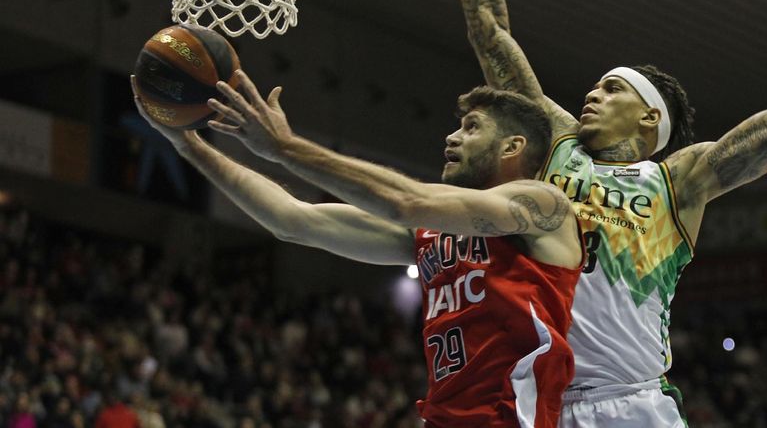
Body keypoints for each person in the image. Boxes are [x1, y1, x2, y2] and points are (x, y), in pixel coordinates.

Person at [451, 0, 767, 426]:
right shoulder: (558, 142)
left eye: (612, 88)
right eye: (596, 85)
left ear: (650, 118)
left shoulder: (678, 181)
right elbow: (490, 32)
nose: (592, 93)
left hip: (633, 402)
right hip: (542, 402)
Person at [132, 75, 587, 427]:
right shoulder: (432, 235)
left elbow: (406, 200)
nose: (451, 138)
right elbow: (293, 221)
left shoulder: (543, 206)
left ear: (513, 146)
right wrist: (184, 142)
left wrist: (285, 149)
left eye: (471, 128)